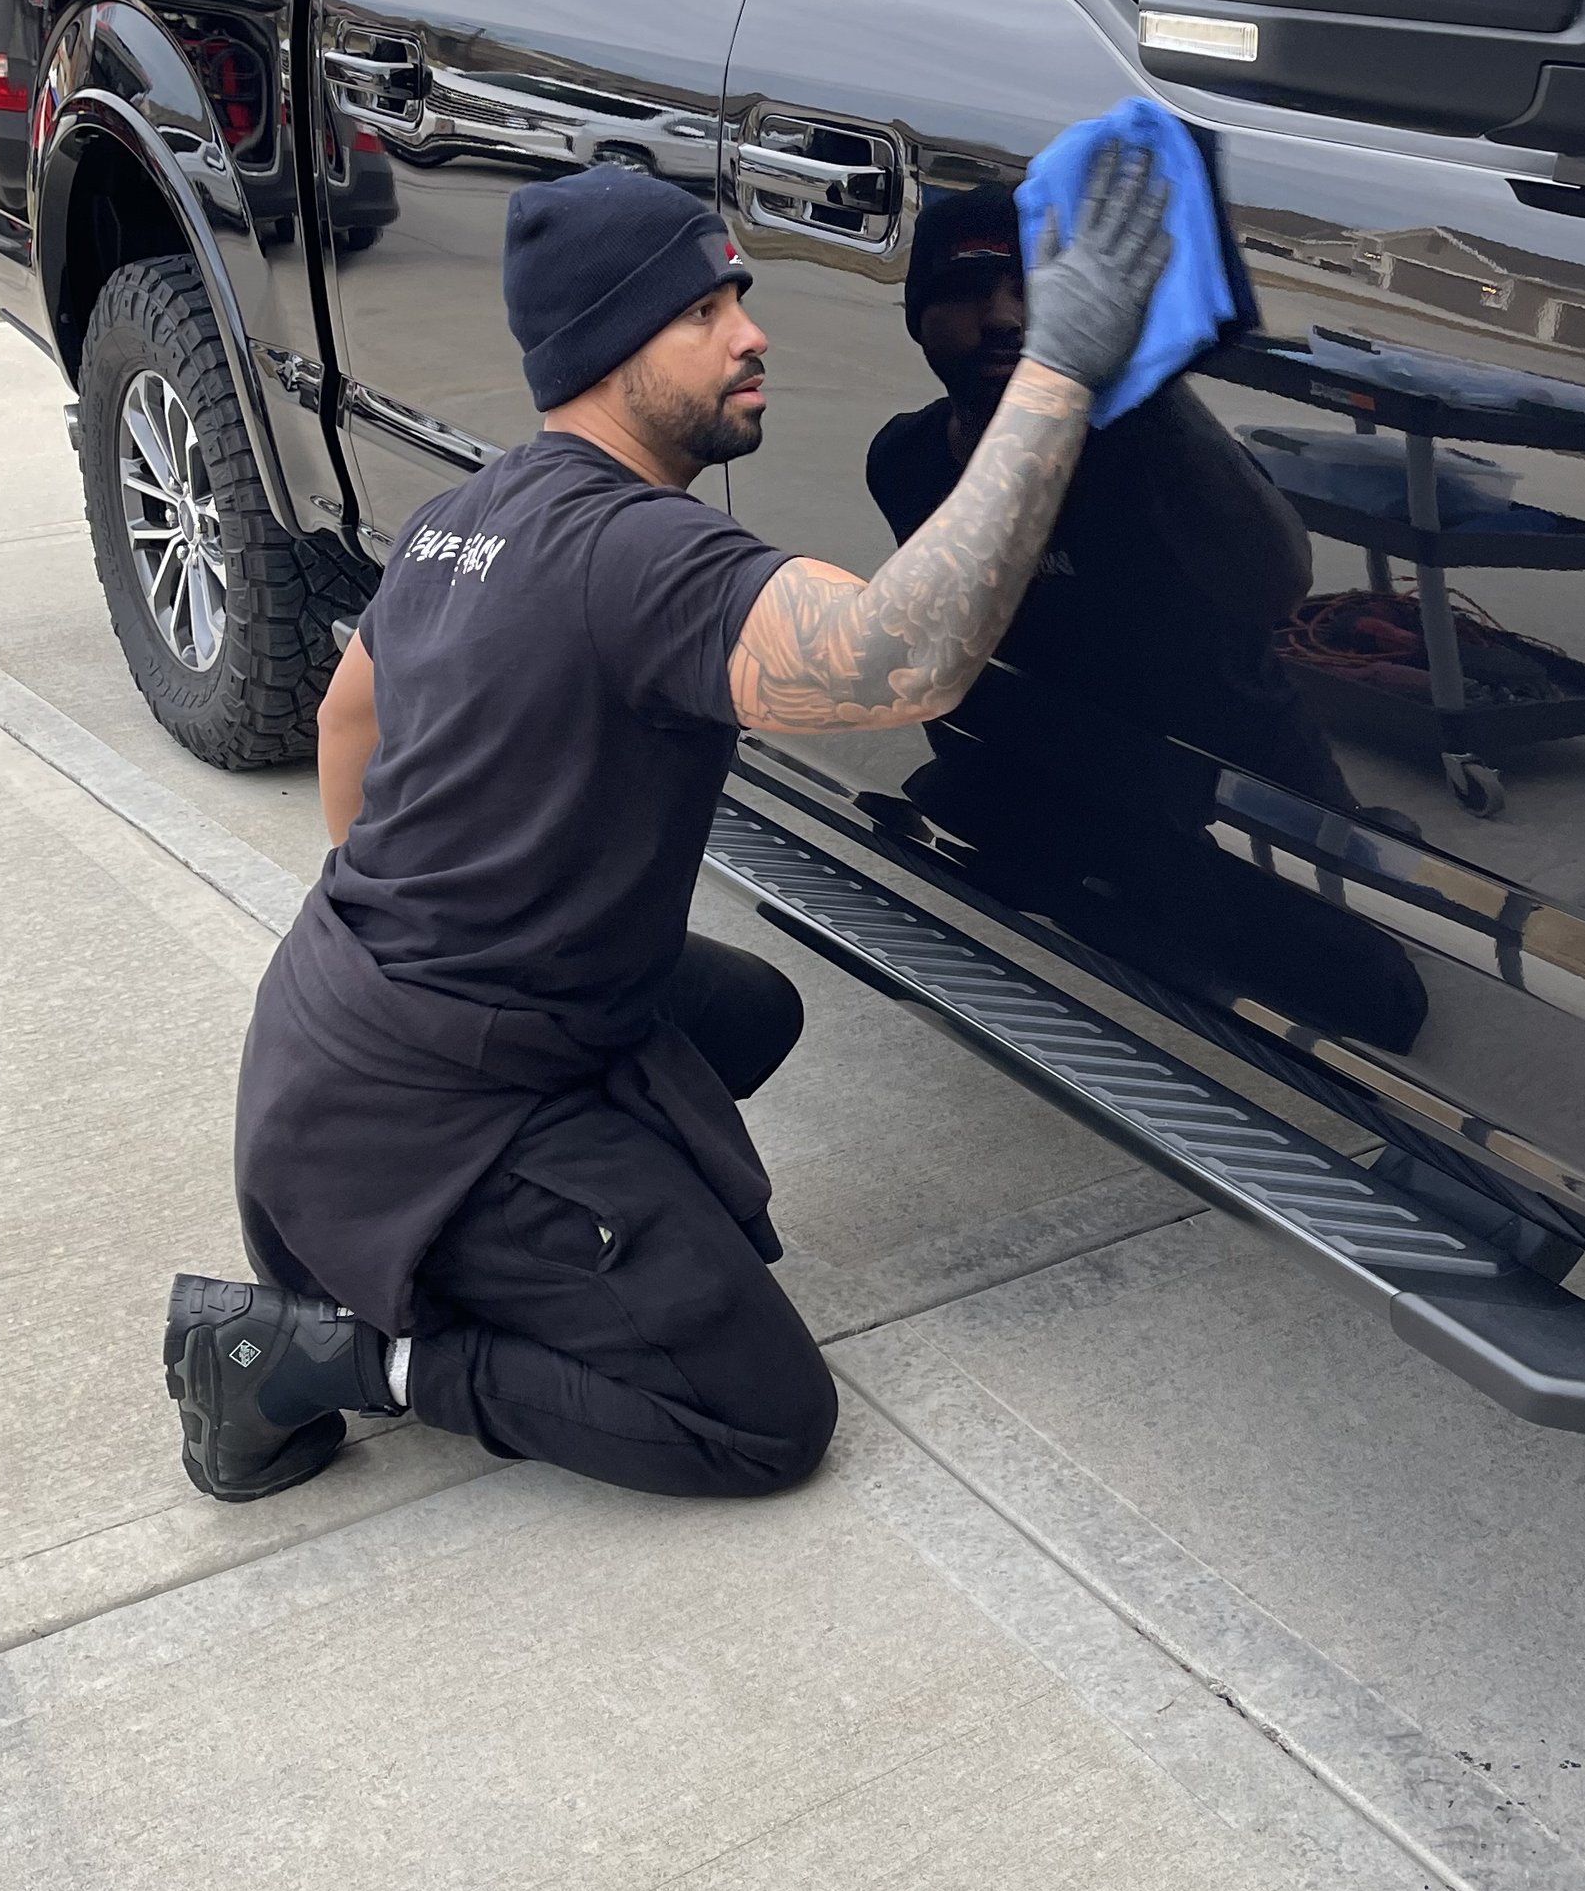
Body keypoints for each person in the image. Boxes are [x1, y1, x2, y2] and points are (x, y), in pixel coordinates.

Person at [163, 143, 1175, 1506]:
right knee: (760, 1418)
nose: (750, 334)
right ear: (608, 346)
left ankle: (558, 1220)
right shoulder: (637, 559)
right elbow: (904, 656)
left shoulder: (475, 509)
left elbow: (352, 714)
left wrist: (411, 926)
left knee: (746, 1012)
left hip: (327, 1059)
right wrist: (1063, 372)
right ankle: (318, 1355)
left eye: (737, 296)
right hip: (412, 1131)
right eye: (701, 312)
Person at [864, 191, 1426, 1051]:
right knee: (908, 861)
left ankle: (1360, 837)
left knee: (1379, 999)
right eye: (968, 289)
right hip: (1058, 764)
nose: (1004, 317)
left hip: (1223, 786)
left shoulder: (1149, 450)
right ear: (918, 317)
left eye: (1032, 290)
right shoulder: (904, 462)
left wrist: (1142, 380)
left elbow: (1277, 575)